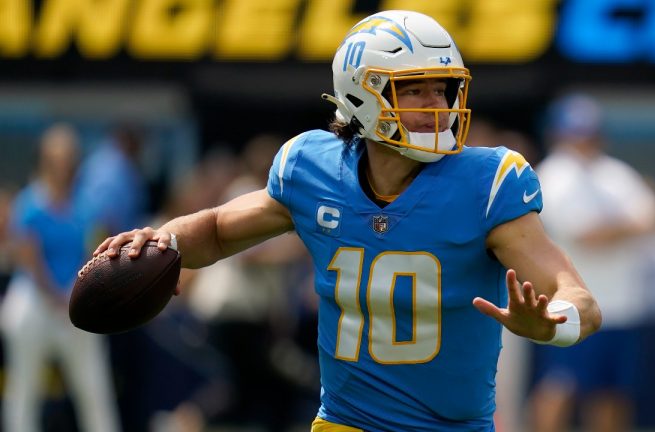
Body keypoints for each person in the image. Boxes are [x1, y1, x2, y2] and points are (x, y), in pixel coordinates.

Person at [94, 11, 601, 431]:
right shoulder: (312, 168)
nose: (438, 106)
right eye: (415, 90)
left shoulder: (487, 184)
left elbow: (578, 298)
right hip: (344, 424)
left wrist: (552, 323)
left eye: (444, 90)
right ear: (363, 92)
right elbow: (220, 229)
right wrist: (163, 240)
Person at [528, 94, 655, 432]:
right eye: (576, 132)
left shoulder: (614, 172)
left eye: (589, 132)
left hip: (622, 306)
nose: (584, 139)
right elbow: (588, 234)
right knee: (561, 386)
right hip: (572, 302)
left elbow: (653, 215)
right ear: (558, 134)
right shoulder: (553, 175)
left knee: (612, 393)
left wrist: (614, 229)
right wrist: (627, 226)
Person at [2, 123, 121, 432]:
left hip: (75, 299)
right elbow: (29, 257)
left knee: (94, 387)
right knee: (24, 387)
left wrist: (73, 292)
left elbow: (95, 249)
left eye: (68, 157)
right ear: (45, 160)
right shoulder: (29, 204)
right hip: (35, 300)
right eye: (57, 158)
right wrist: (54, 294)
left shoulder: (88, 205)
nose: (63, 165)